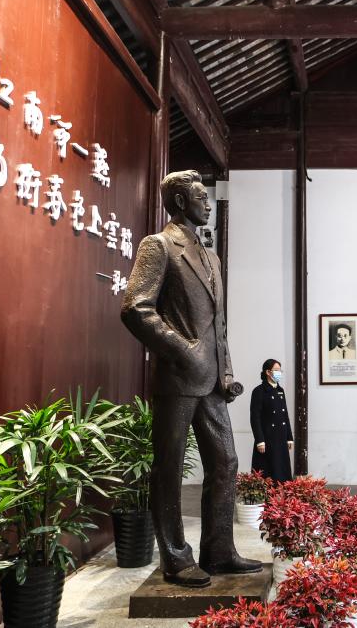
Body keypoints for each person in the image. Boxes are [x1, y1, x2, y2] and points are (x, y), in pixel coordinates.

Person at [121, 169, 261, 587]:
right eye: (201, 198)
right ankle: (176, 558)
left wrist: (227, 371)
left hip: (212, 381)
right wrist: (183, 350)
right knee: (168, 468)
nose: (208, 204)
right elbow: (135, 308)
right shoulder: (159, 245)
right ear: (180, 202)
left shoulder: (210, 257)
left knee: (226, 462)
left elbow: (219, 325)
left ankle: (218, 551)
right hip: (177, 378)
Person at [250, 359, 293, 482]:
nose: (279, 373)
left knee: (282, 471)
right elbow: (255, 418)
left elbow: (285, 415)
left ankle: (282, 493)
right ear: (268, 372)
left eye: (280, 370)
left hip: (281, 437)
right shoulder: (259, 391)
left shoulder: (280, 390)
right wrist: (260, 440)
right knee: (268, 472)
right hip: (267, 438)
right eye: (276, 370)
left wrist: (289, 437)